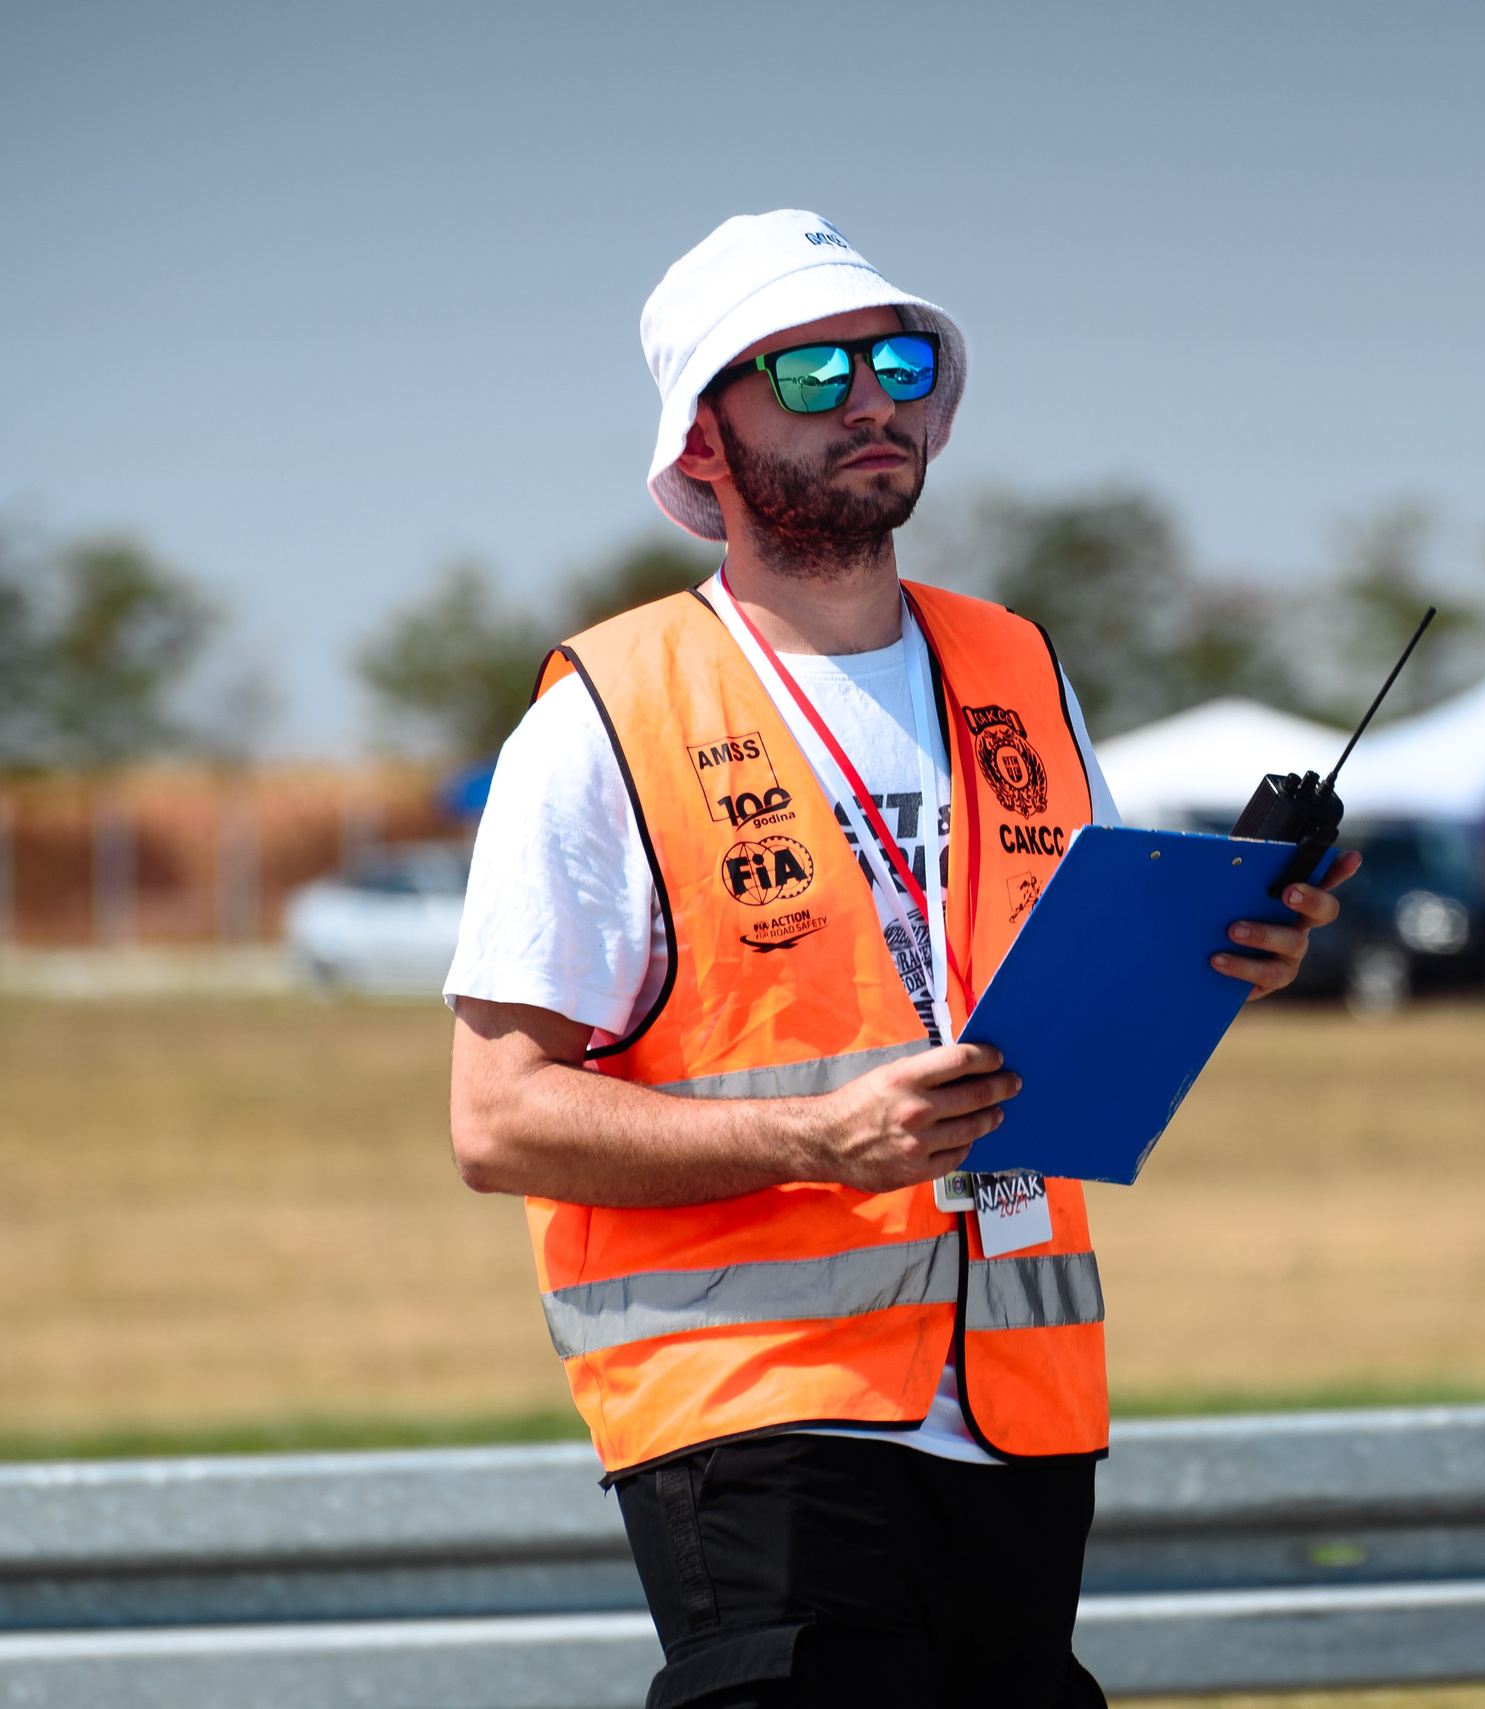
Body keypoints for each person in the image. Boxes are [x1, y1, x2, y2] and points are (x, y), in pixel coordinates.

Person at [443, 210, 1356, 1708]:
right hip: (758, 1413)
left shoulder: (1015, 664)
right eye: (811, 373)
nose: (874, 397)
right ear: (704, 439)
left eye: (898, 358)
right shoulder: (608, 712)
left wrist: (1229, 955)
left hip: (1019, 1406)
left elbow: (1067, 998)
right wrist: (819, 1134)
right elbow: (497, 1119)